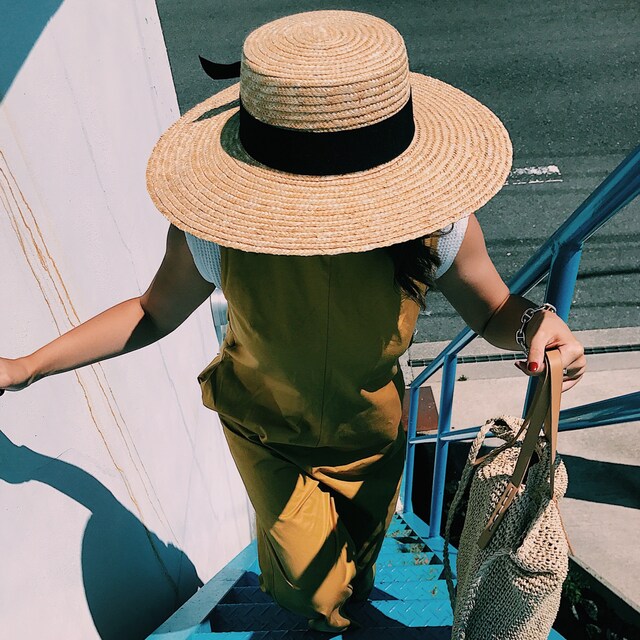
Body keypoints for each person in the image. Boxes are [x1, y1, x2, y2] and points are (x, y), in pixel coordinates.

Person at [0, 10, 586, 634]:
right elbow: (151, 312)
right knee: (313, 593)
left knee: (359, 569)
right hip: (268, 434)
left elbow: (493, 307)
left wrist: (536, 325)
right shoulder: (217, 230)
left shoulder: (435, 225)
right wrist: (29, 366)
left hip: (373, 439)